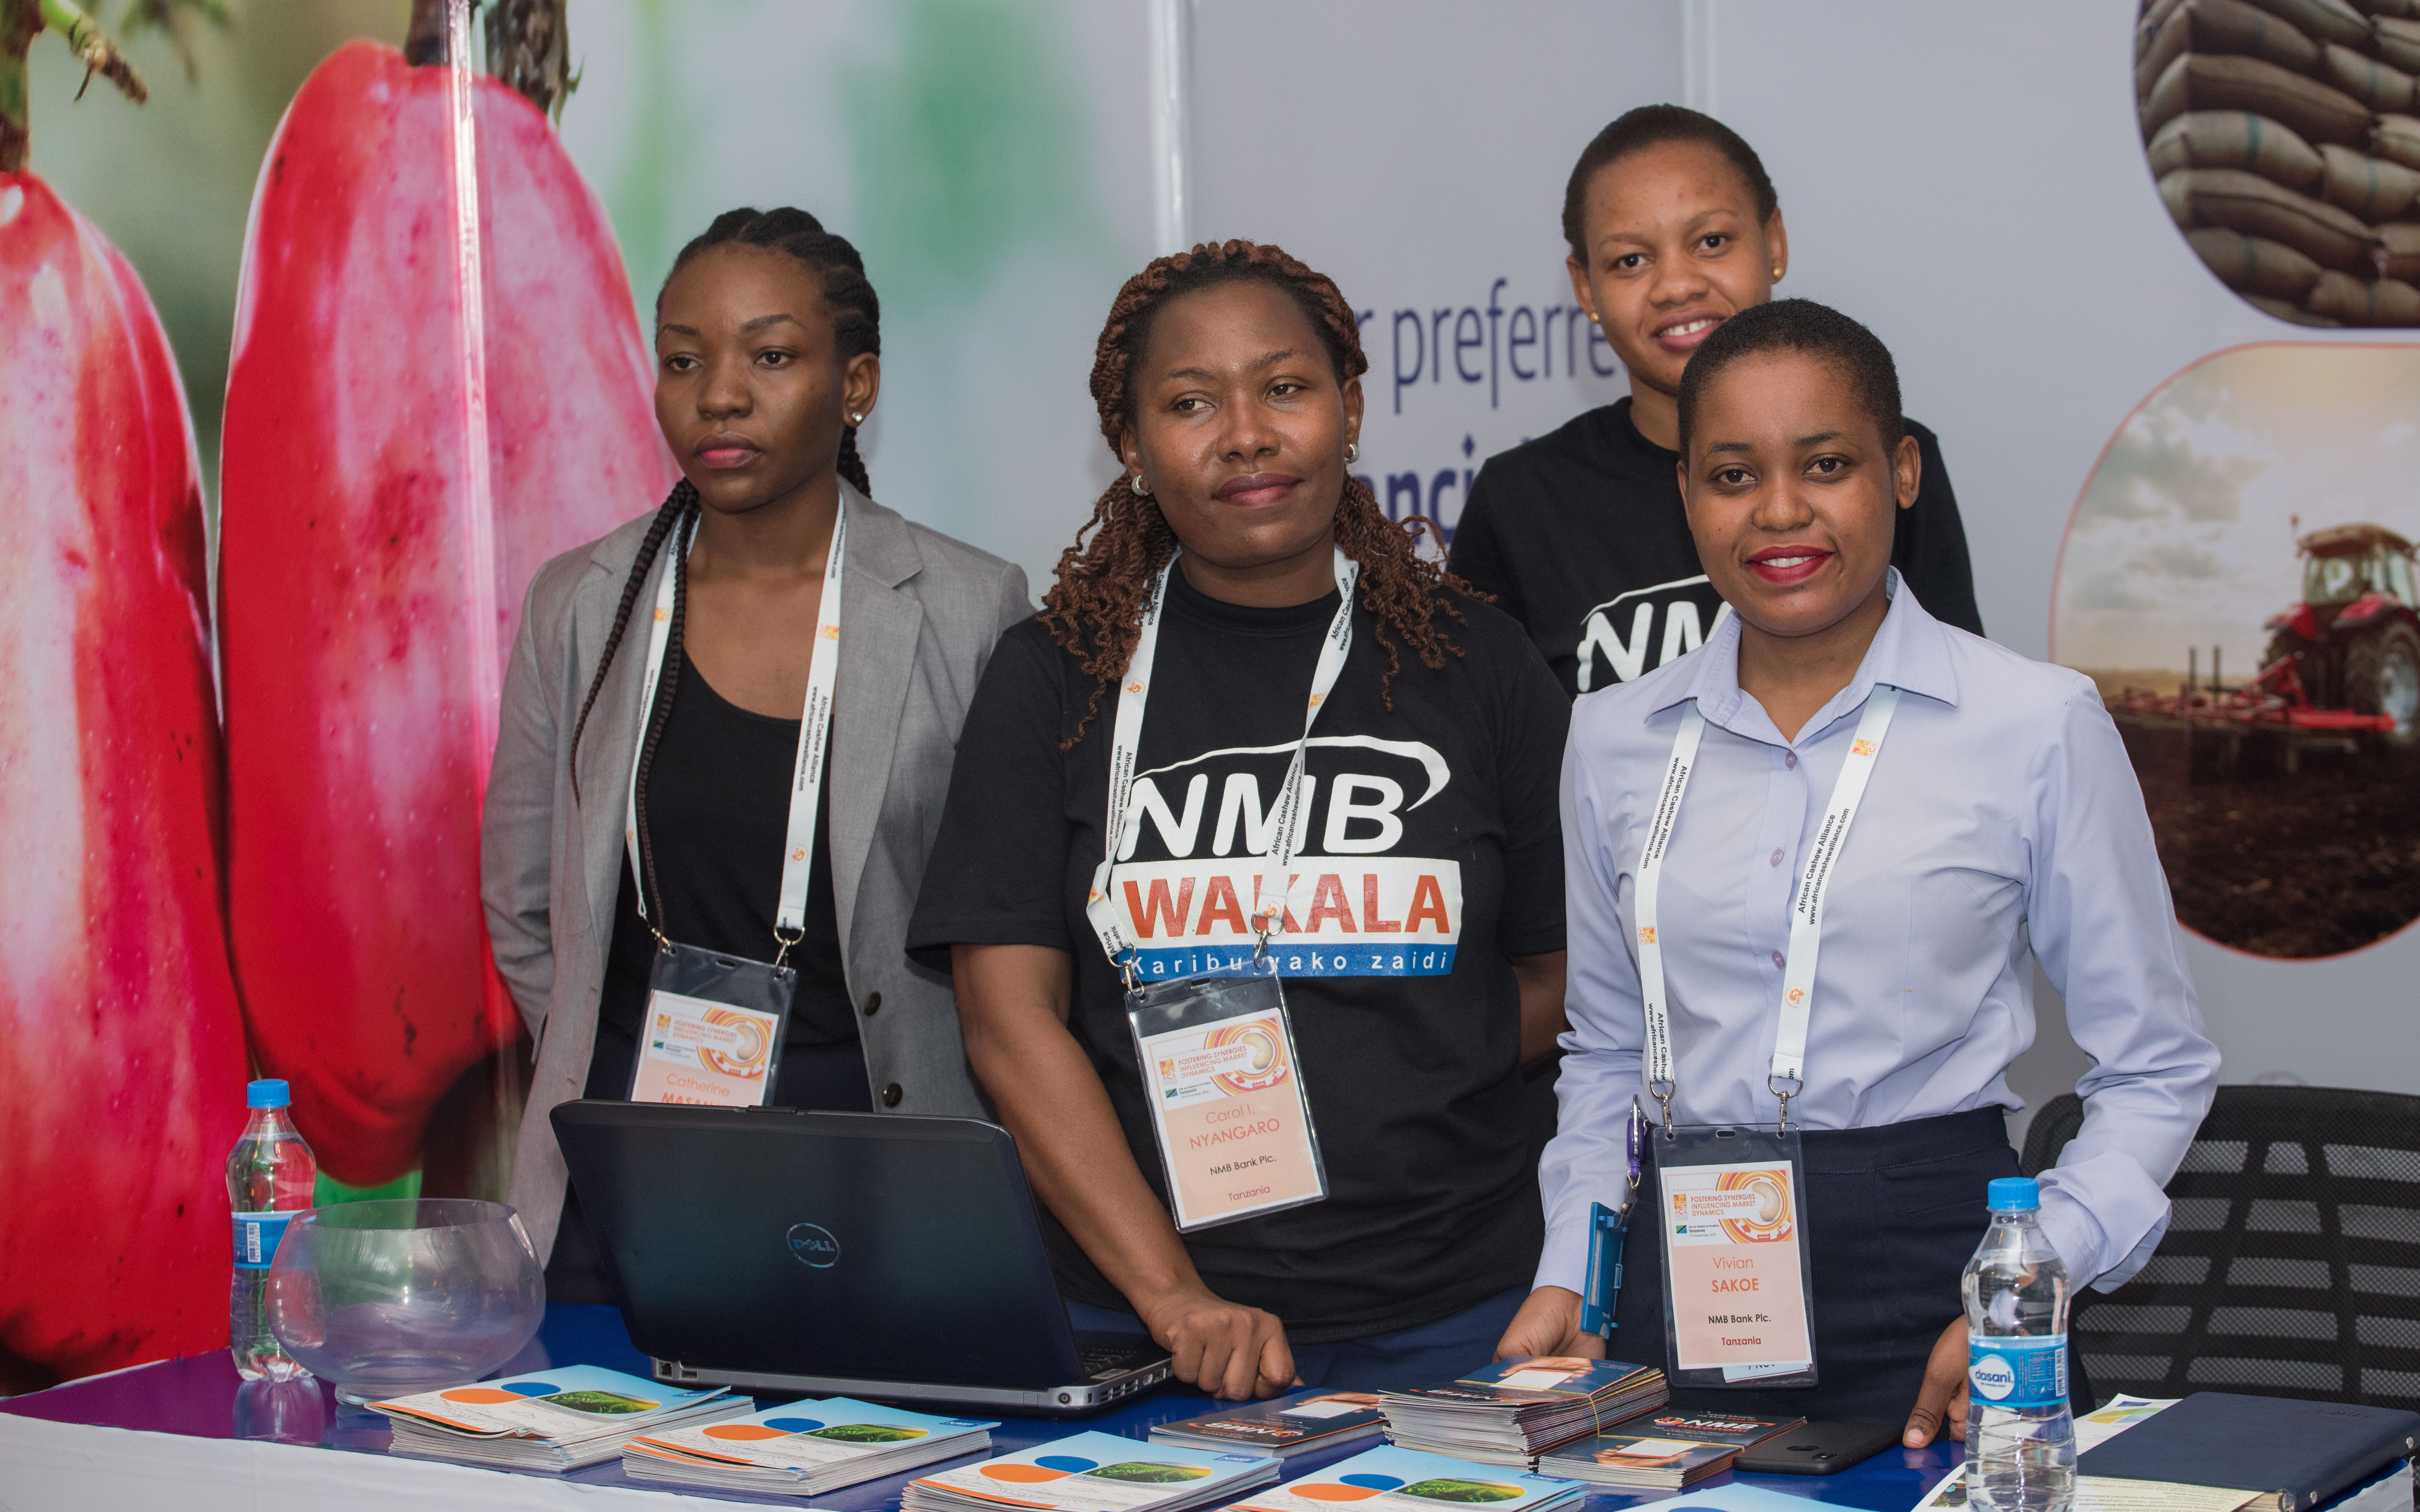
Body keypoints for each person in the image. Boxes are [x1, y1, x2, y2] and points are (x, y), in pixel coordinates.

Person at [1497, 300, 2217, 1446]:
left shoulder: (2035, 724)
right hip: (1679, 1289)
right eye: (1733, 475)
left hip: (1946, 1287)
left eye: (1826, 465)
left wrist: (2027, 1284)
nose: (1781, 511)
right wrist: (1573, 1274)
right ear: (1686, 494)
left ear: (1904, 471)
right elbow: (1607, 1056)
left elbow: (2157, 1067)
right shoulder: (1614, 736)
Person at [908, 240, 1572, 1398]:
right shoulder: (1055, 679)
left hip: (1461, 1312)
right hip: (1141, 1321)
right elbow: (1009, 1022)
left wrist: (1410, 1056)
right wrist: (1174, 1297)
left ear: (1349, 409)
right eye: (1190, 404)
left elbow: (1569, 971)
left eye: (1285, 387)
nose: (1248, 435)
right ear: (1130, 443)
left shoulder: (1481, 663)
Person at [482, 208, 1031, 1296]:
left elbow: (1015, 929)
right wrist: (605, 1050)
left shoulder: (969, 608)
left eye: (770, 357)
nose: (719, 396)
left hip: (882, 1152)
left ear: (856, 384)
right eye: (683, 361)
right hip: (638, 1157)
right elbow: (523, 901)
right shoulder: (582, 603)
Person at [1448, 104, 1983, 701]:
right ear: (1585, 287)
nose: (1677, 286)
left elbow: (1961, 696)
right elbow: (1483, 733)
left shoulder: (1874, 460)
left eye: (1711, 241)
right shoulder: (1520, 500)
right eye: (1631, 260)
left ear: (1773, 241)